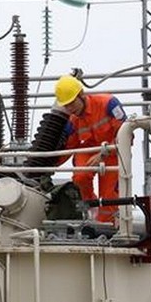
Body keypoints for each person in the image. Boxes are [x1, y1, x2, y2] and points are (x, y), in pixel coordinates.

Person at [54, 74, 126, 223]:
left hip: (113, 151)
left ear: (81, 95)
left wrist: (103, 153)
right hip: (88, 150)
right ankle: (91, 206)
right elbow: (69, 146)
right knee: (80, 177)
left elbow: (125, 136)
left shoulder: (108, 104)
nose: (69, 108)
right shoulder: (73, 120)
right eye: (66, 105)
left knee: (109, 197)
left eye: (71, 103)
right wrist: (49, 164)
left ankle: (106, 225)